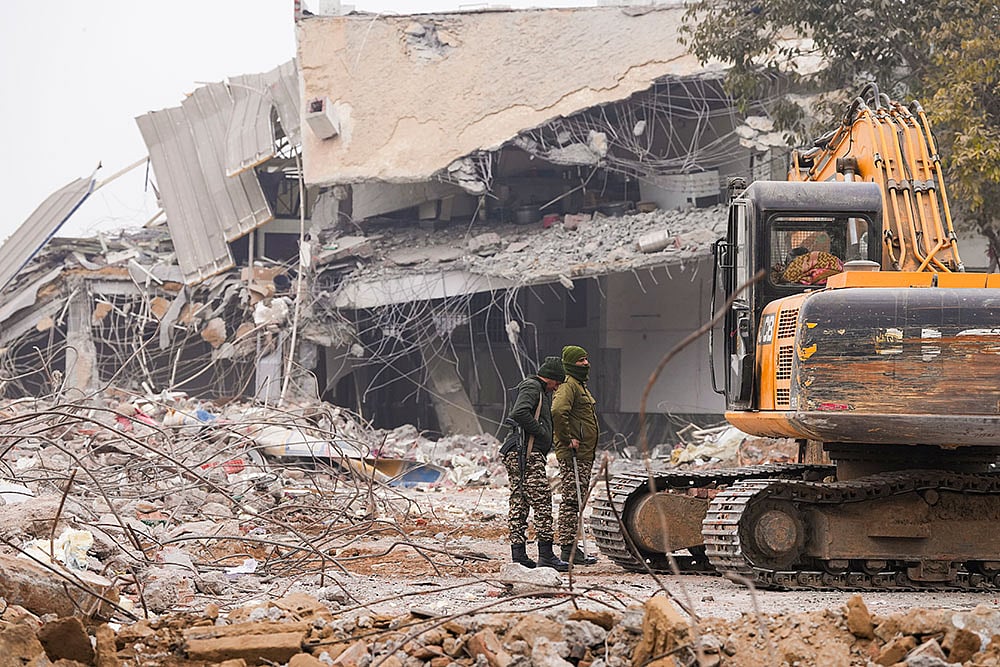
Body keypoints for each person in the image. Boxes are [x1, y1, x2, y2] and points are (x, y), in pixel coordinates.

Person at [501, 356, 570, 571]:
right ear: (549, 378)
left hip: (519, 451)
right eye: (556, 383)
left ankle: (519, 554)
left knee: (520, 501)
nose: (556, 387)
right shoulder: (533, 387)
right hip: (526, 451)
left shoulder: (537, 388)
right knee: (542, 502)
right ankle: (546, 555)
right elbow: (519, 413)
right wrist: (540, 433)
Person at [551, 345, 600, 565]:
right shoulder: (568, 385)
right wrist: (567, 437)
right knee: (572, 500)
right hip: (573, 453)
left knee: (577, 501)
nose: (586, 363)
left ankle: (572, 548)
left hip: (584, 453)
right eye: (581, 360)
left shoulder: (580, 386)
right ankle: (568, 549)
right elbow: (558, 411)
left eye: (587, 359)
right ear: (571, 364)